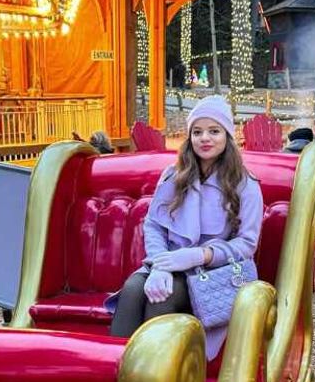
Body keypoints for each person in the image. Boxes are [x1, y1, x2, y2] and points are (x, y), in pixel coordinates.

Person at [107, 96, 263, 359]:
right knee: (134, 289)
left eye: (214, 131)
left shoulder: (245, 185)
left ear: (227, 135)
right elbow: (154, 224)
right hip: (168, 262)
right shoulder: (173, 176)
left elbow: (247, 244)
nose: (205, 138)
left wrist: (201, 255)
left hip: (211, 274)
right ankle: (114, 370)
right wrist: (159, 266)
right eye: (197, 132)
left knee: (163, 297)